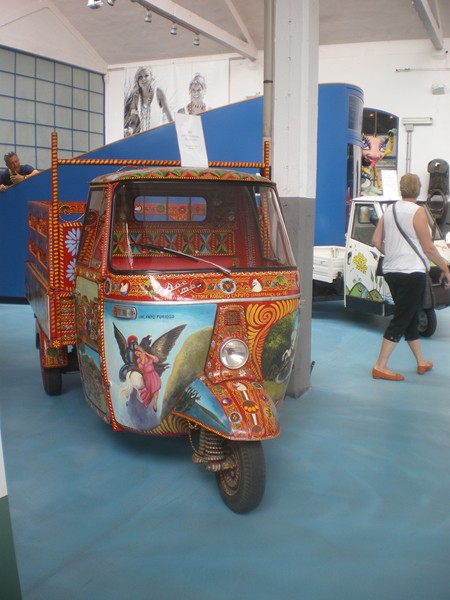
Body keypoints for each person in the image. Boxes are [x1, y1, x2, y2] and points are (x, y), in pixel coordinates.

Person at [371, 173, 450, 380]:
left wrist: (393, 254)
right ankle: (380, 365)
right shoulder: (418, 212)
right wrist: (445, 268)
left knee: (410, 315)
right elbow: (428, 248)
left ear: (401, 189)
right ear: (419, 190)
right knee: (402, 317)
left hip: (391, 271)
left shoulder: (389, 211)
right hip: (411, 273)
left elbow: (376, 241)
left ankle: (421, 361)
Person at [123, 66, 172, 137]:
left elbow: (171, 120)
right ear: (137, 80)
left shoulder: (158, 93)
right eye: (140, 77)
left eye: (146, 76)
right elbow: (134, 122)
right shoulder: (136, 97)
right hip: (143, 138)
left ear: (151, 77)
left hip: (158, 136)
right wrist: (130, 130)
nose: (143, 79)